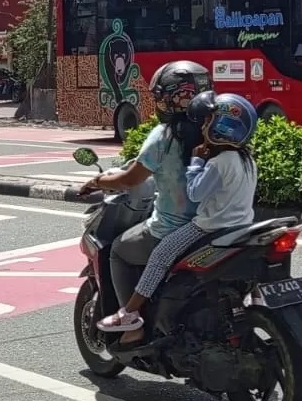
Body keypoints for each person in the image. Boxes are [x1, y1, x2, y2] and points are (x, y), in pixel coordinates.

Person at [97, 92, 259, 341]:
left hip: (208, 227)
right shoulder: (246, 159)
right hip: (241, 227)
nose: (202, 125)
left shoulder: (213, 160)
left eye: (208, 122)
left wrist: (196, 162)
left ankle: (130, 314)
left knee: (160, 255)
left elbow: (194, 193)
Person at [80, 61, 211, 311]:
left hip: (173, 228)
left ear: (168, 99)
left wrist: (96, 181)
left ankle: (131, 322)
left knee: (118, 250)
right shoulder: (218, 130)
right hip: (220, 225)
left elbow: (130, 179)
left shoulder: (164, 135)